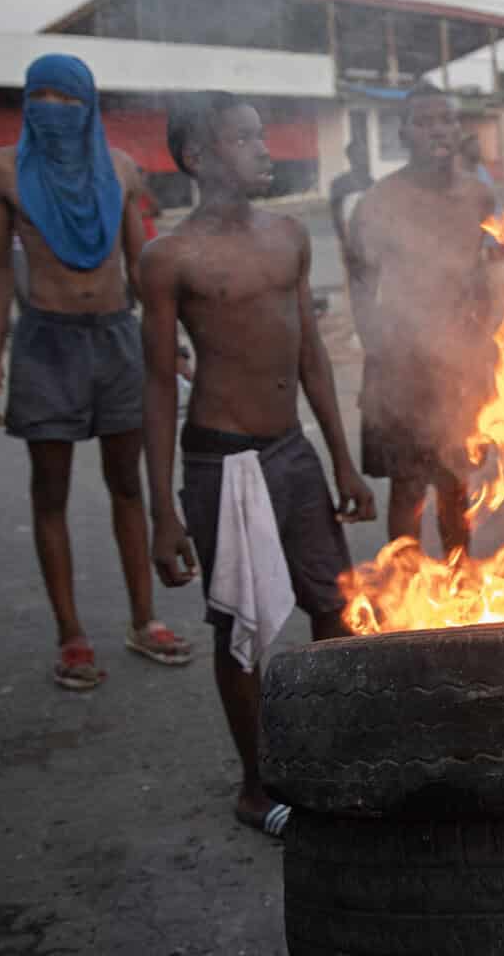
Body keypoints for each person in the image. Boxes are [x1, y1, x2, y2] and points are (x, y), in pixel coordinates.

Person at [141, 92, 376, 838]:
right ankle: (255, 783)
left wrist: (341, 458)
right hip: (225, 459)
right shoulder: (169, 258)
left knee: (334, 608)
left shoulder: (287, 237)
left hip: (291, 452)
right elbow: (154, 384)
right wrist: (162, 511)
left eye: (260, 134)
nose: (263, 148)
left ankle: (340, 760)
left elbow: (310, 351)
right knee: (241, 630)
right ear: (200, 157)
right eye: (243, 139)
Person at [0, 53, 192, 691]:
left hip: (114, 339)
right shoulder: (2, 171)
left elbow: (143, 268)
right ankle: (71, 635)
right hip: (45, 344)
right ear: (25, 102)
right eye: (40, 95)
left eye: (67, 98)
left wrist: (171, 342)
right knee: (51, 494)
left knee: (128, 486)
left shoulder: (121, 170)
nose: (54, 109)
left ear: (89, 103)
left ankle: (143, 619)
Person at [347, 85, 496, 552]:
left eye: (448, 120)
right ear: (403, 133)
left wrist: (481, 341)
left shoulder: (477, 196)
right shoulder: (380, 200)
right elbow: (360, 284)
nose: (440, 130)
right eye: (426, 121)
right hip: (403, 366)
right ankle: (404, 597)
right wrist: (383, 352)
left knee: (455, 486)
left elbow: (490, 274)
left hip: (459, 363)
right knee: (408, 487)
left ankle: (462, 587)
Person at [327, 137, 373, 254]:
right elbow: (335, 214)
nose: (365, 158)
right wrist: (343, 238)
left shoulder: (371, 182)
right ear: (350, 157)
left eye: (365, 154)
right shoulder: (340, 184)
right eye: (360, 154)